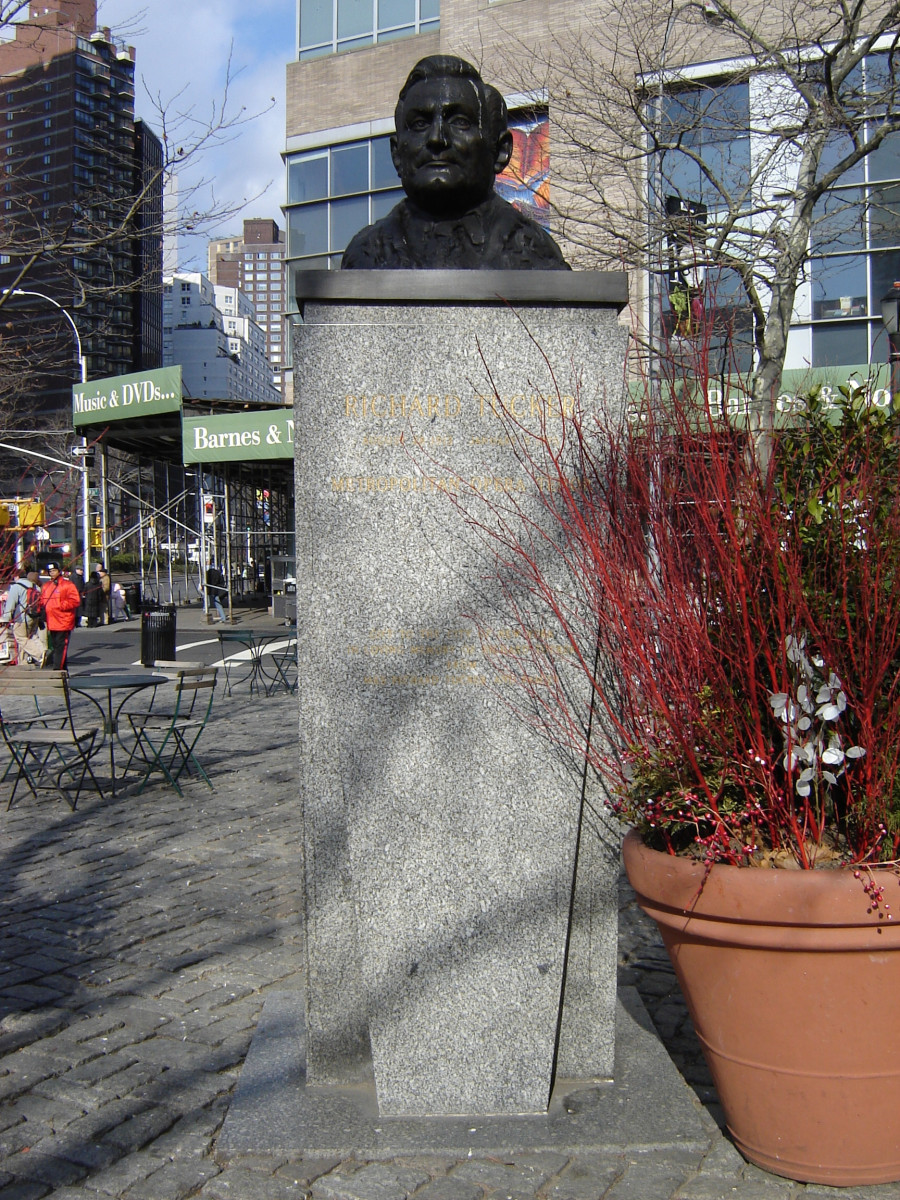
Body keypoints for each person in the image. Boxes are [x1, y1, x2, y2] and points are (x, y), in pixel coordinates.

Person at [341, 55, 570, 271]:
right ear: (397, 155)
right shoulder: (366, 253)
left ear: (500, 151)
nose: (437, 138)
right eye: (420, 124)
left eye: (459, 122)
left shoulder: (536, 253)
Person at [39, 563, 81, 670]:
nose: (52, 573)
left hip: (64, 621)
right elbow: (42, 600)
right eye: (50, 571)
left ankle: (57, 669)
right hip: (51, 620)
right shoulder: (47, 586)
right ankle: (62, 669)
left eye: (54, 570)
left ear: (59, 571)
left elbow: (75, 600)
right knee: (56, 645)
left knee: (61, 646)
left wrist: (61, 605)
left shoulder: (67, 585)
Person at [0, 566, 40, 664]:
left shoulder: (16, 587)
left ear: (16, 576)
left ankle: (40, 654)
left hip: (21, 618)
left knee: (20, 638)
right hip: (34, 616)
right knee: (27, 638)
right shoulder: (35, 586)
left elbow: (11, 604)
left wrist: (6, 618)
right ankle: (23, 662)